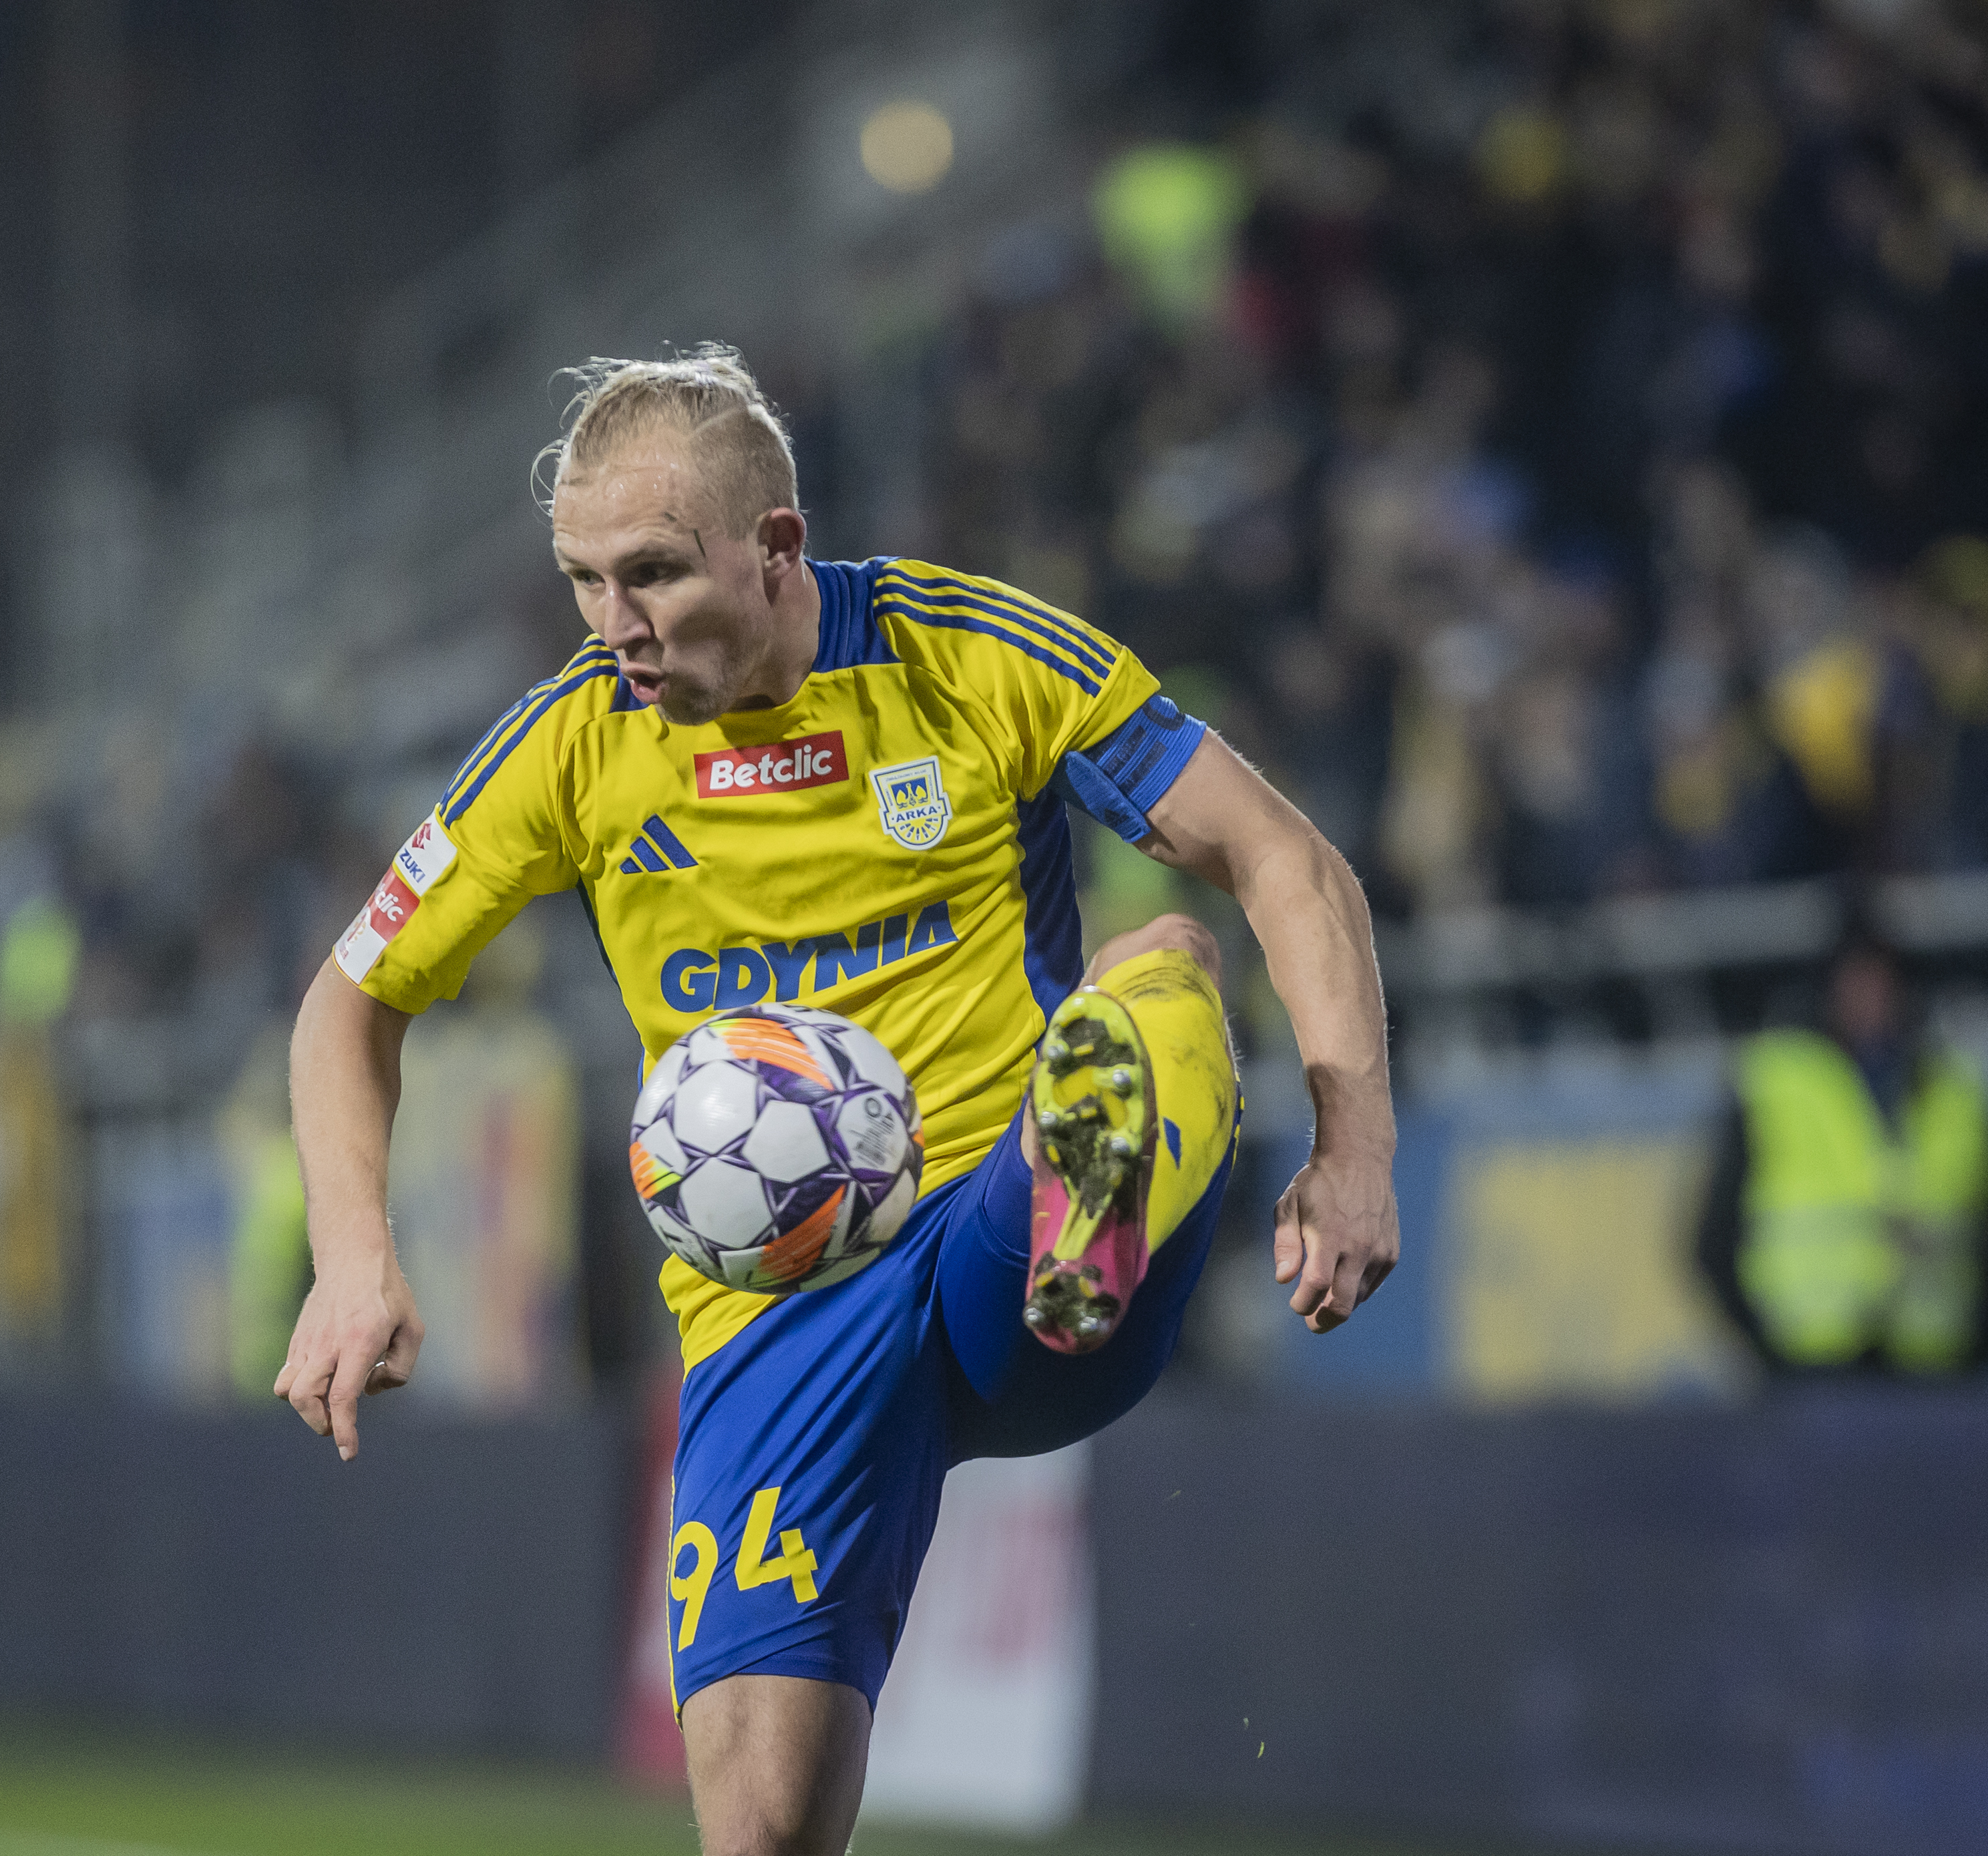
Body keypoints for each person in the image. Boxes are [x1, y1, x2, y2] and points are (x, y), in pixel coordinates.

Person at [277, 348, 1398, 1854]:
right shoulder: (568, 745)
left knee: (1161, 957)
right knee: (758, 1833)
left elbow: (1282, 855)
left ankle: (1090, 1223)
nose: (616, 626)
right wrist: (352, 1254)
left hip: (998, 1228)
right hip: (773, 1310)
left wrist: (1352, 1150)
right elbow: (352, 994)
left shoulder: (966, 655)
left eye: (655, 576)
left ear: (776, 546)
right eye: (583, 581)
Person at [1696, 926, 1985, 1376]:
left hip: (1933, 1362)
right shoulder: (1777, 1081)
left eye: (1884, 981)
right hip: (1815, 1363)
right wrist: (1766, 1351)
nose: (1874, 998)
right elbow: (1712, 1240)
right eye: (1858, 982)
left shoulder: (1953, 1091)